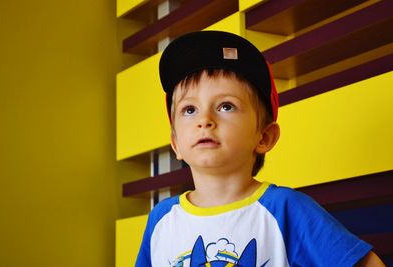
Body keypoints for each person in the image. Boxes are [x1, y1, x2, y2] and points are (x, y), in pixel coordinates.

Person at [135, 31, 385, 267]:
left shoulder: (286, 209)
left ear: (265, 136)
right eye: (189, 110)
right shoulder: (161, 219)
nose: (205, 120)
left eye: (226, 106)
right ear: (176, 143)